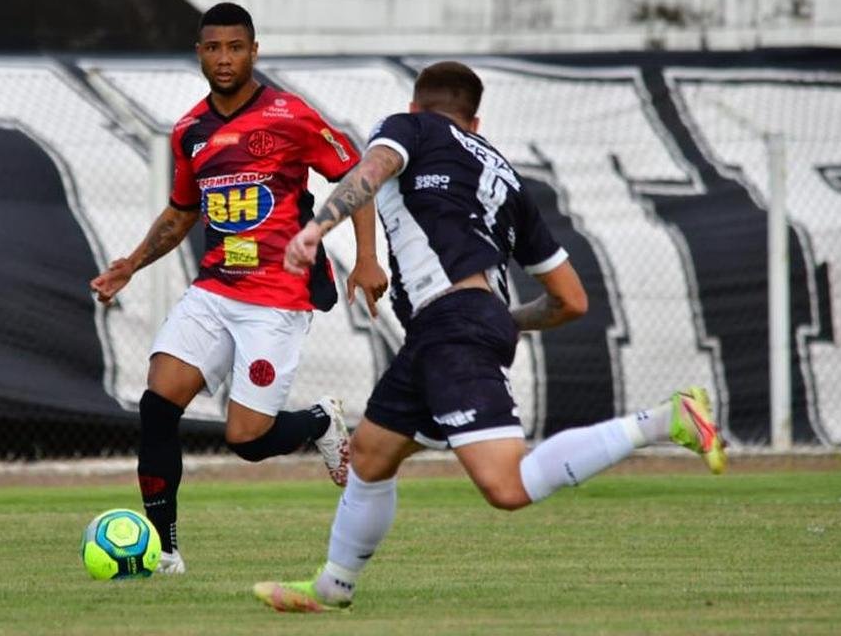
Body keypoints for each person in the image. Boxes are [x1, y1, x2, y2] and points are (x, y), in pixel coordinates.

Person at [253, 61, 727, 612]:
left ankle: (665, 419)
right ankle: (334, 585)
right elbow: (570, 300)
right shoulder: (504, 177)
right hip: (451, 327)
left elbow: (374, 168)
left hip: (451, 327)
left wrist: (318, 227)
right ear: (475, 122)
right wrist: (504, 320)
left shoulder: (411, 128)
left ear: (415, 108)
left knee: (506, 486)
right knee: (370, 455)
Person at [89, 2, 388, 575]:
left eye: (234, 47)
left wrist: (368, 258)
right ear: (199, 54)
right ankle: (164, 551)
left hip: (277, 299)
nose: (224, 58)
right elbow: (182, 213)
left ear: (254, 51)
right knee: (157, 405)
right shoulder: (189, 131)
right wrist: (131, 263)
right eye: (213, 48)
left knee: (247, 440)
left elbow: (357, 177)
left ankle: (320, 421)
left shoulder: (290, 114)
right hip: (214, 291)